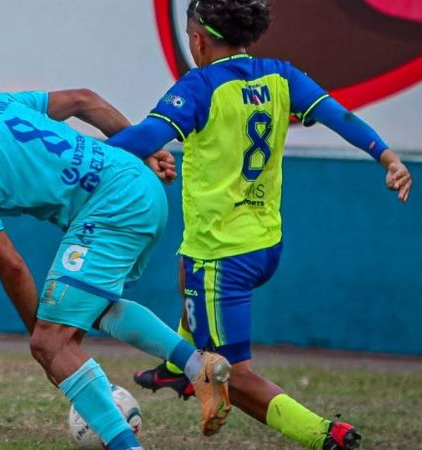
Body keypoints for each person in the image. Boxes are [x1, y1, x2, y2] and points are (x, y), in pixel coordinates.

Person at [105, 1, 413, 450]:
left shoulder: (199, 86)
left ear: (197, 39)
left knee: (236, 375)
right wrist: (386, 157)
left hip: (223, 254)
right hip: (265, 243)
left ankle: (326, 434)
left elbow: (145, 138)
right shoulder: (280, 75)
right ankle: (177, 369)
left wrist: (80, 151)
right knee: (185, 266)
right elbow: (338, 116)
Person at [0, 89, 234, 450]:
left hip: (112, 207)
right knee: (93, 307)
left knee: (51, 341)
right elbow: (83, 100)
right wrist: (146, 149)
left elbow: (10, 264)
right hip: (137, 183)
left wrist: (43, 346)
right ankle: (196, 366)